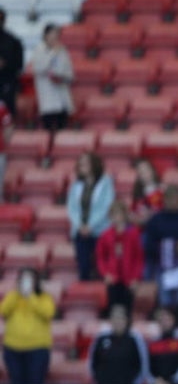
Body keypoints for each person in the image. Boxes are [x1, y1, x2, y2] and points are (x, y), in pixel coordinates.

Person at [87, 304, 150, 384]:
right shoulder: (101, 338)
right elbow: (92, 363)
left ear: (127, 320)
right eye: (114, 318)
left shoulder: (134, 339)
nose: (117, 321)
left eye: (121, 318)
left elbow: (143, 365)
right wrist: (100, 383)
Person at [1, 268, 54, 384]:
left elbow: (48, 313)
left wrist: (30, 297)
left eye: (29, 279)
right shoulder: (12, 296)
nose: (26, 282)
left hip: (37, 348)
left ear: (36, 281)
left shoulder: (44, 298)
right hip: (13, 348)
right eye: (23, 279)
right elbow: (4, 311)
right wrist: (17, 294)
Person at [142, 185, 178, 308]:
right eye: (170, 198)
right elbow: (149, 244)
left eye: (177, 198)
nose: (173, 201)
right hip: (161, 266)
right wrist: (164, 248)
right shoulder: (156, 219)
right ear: (164, 200)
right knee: (164, 302)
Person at [66, 152, 114, 282]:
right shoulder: (76, 184)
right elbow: (72, 208)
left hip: (100, 230)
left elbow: (106, 206)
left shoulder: (106, 182)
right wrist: (79, 225)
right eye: (80, 163)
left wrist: (90, 226)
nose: (82, 166)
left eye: (85, 163)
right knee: (84, 266)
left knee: (102, 266)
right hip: (80, 231)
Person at [95, 200, 143, 316]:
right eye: (113, 214)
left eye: (119, 214)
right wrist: (105, 273)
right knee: (113, 310)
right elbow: (100, 257)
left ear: (124, 215)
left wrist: (136, 277)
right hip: (113, 280)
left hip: (129, 280)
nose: (116, 217)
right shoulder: (106, 235)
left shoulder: (133, 233)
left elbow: (139, 257)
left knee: (127, 312)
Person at [30, 24, 73, 131]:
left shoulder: (62, 50)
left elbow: (70, 72)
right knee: (49, 130)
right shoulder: (39, 50)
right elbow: (39, 68)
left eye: (57, 34)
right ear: (45, 35)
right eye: (53, 33)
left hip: (61, 95)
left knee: (62, 130)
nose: (55, 36)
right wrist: (53, 53)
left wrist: (63, 77)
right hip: (47, 97)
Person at [0, 8, 23, 116]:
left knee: (7, 115)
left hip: (7, 84)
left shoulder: (13, 41)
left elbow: (19, 65)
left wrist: (5, 64)